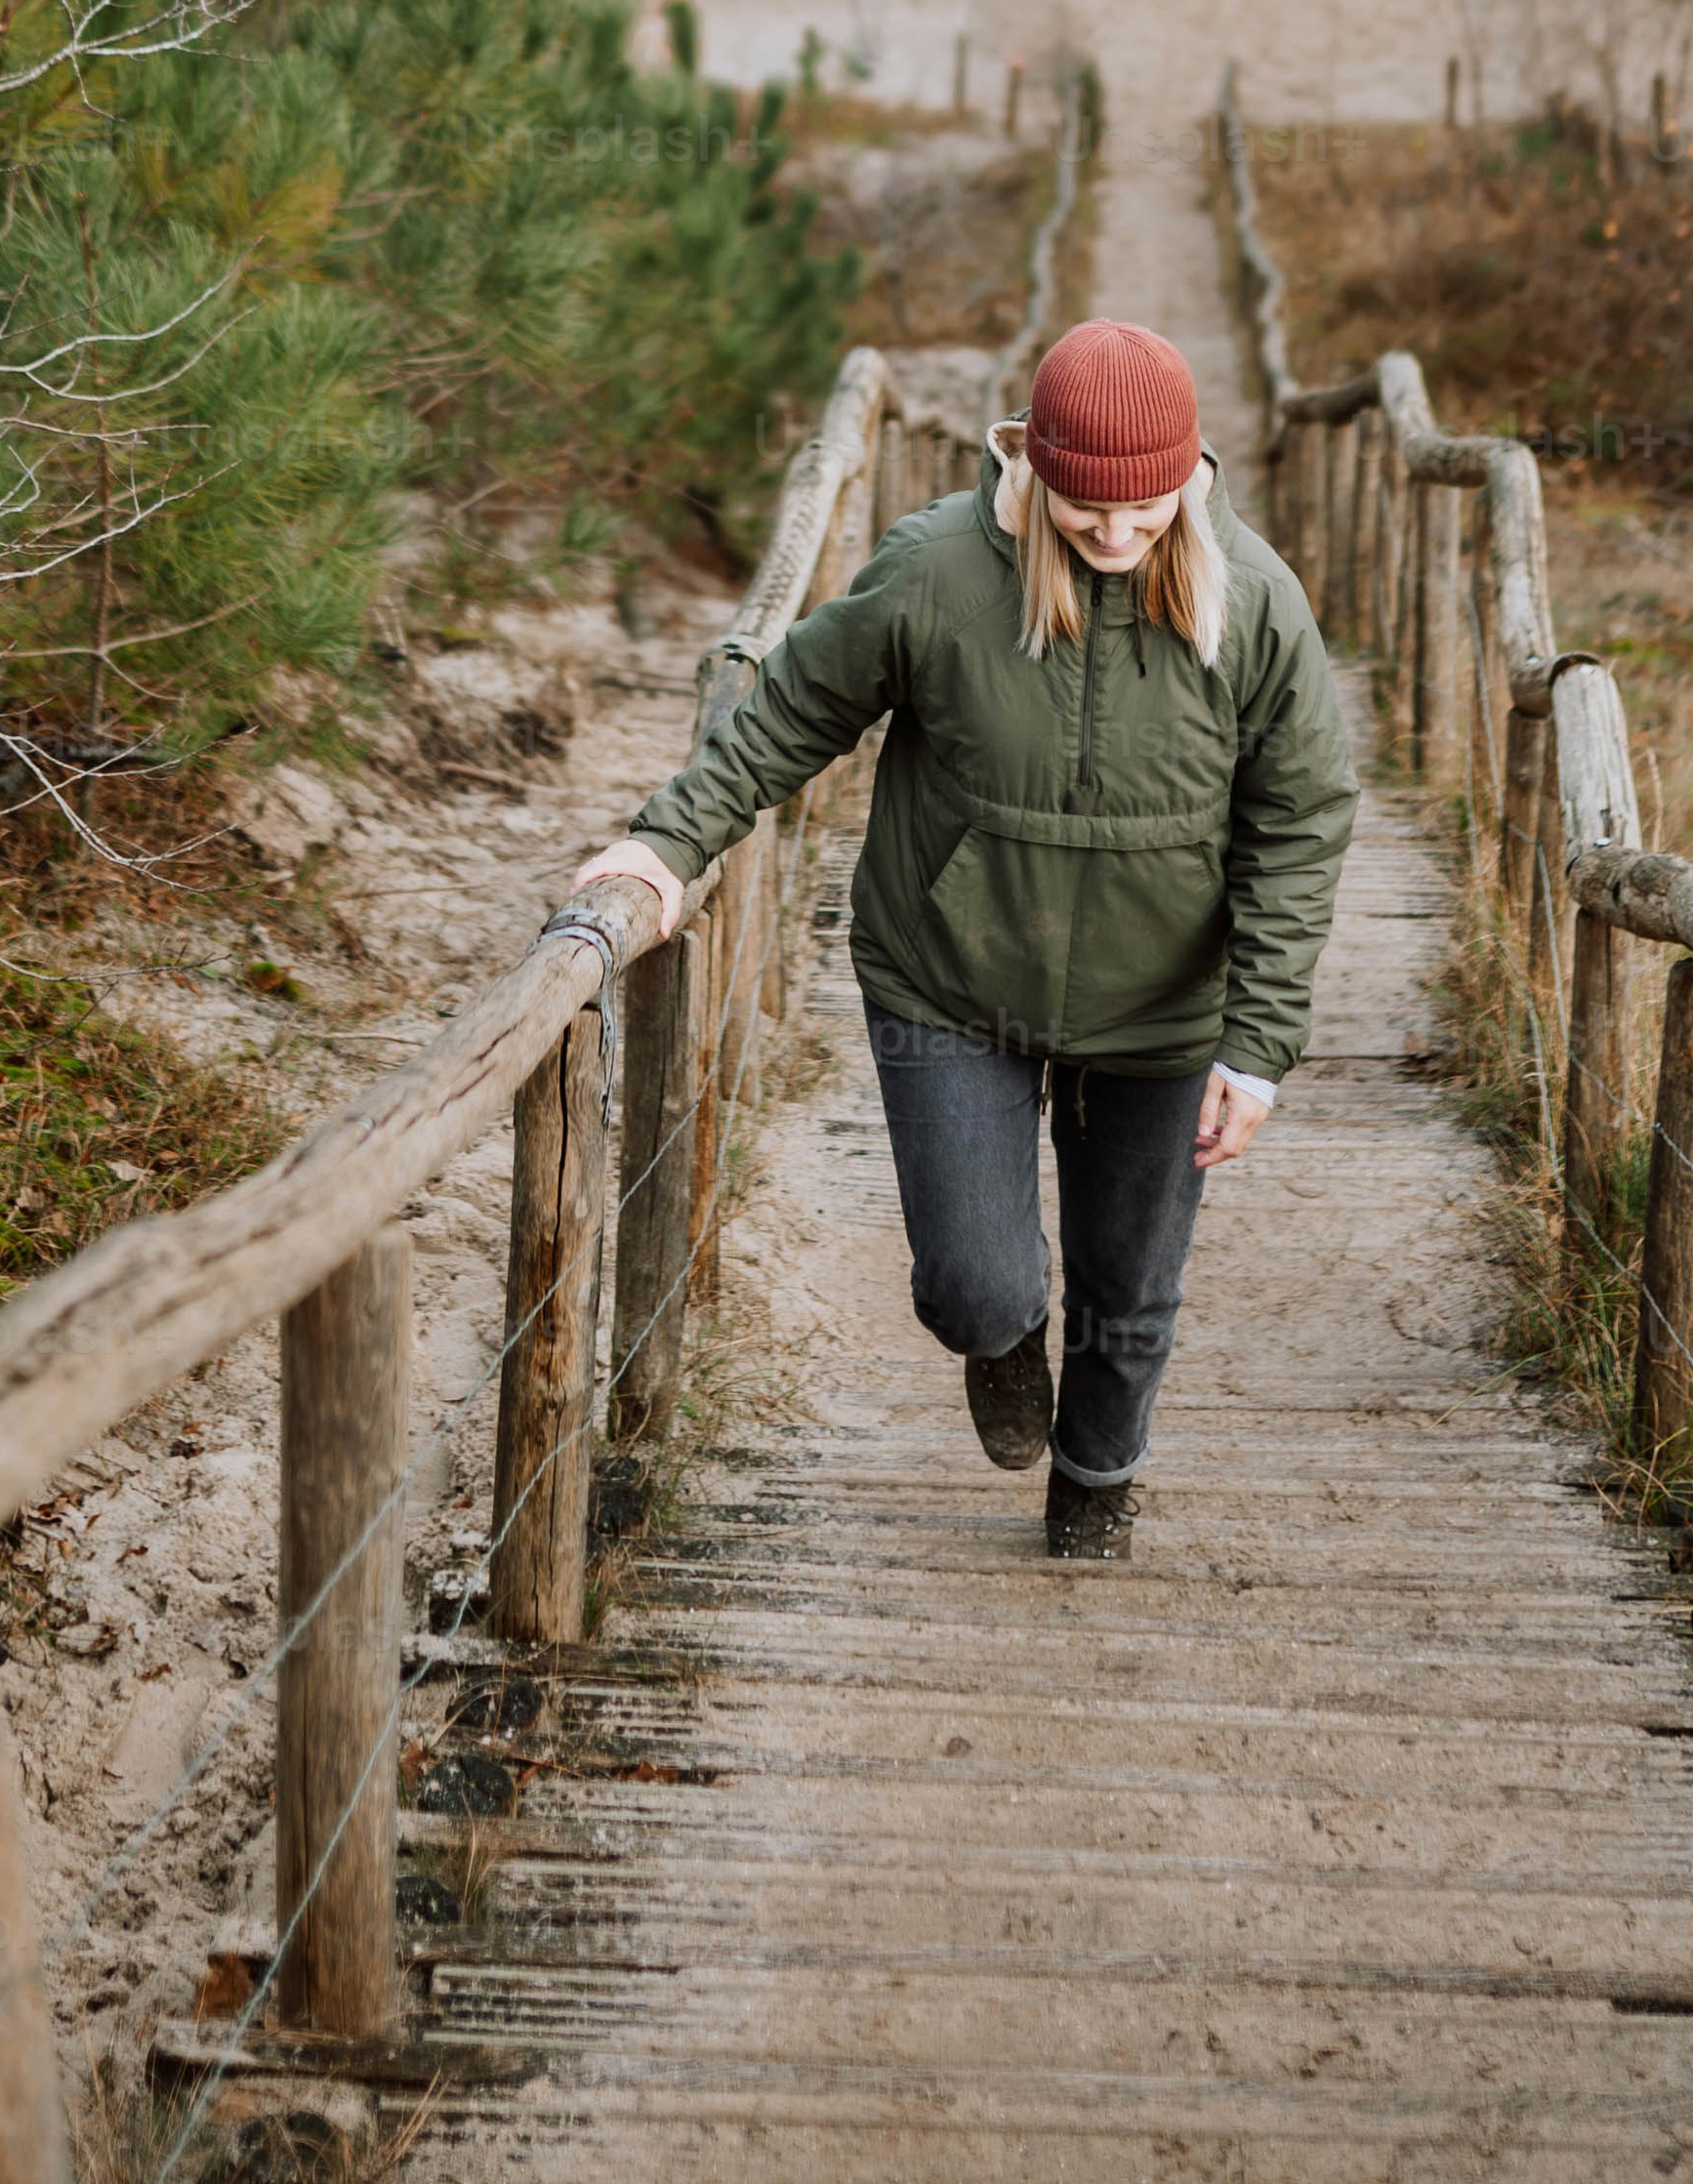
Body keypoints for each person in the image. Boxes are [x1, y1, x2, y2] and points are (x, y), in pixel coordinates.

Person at [570, 319, 1357, 1546]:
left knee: (1133, 1290)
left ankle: (1097, 1479)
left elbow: (1301, 817)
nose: (1112, 533)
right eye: (1085, 505)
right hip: (953, 977)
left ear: (1191, 476)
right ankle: (1005, 1341)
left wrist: (1257, 1043)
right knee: (975, 1282)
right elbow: (794, 709)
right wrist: (667, 845)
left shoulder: (1253, 599)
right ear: (1034, 469)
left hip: (1161, 1006)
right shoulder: (938, 570)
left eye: (1144, 506)